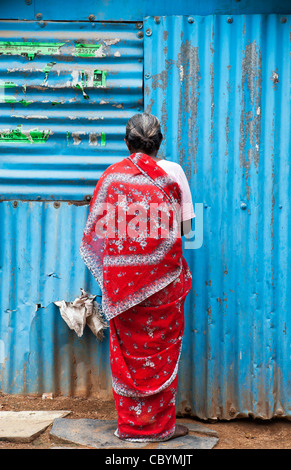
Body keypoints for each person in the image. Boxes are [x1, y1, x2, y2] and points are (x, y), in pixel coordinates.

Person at [80, 113, 195, 442]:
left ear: (127, 142)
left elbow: (100, 232)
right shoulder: (172, 173)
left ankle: (129, 427)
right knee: (160, 352)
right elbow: (187, 228)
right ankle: (162, 428)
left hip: (122, 287)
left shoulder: (112, 177)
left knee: (127, 354)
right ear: (160, 142)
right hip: (163, 286)